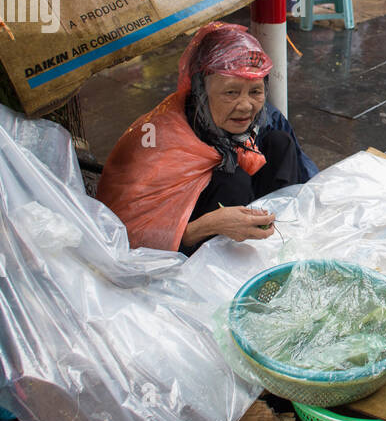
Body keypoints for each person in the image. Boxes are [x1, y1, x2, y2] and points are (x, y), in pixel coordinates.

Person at [96, 22, 317, 253]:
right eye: (231, 92)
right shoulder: (157, 140)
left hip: (237, 219)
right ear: (201, 91)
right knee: (232, 181)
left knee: (279, 144)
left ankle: (273, 243)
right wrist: (208, 225)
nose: (246, 106)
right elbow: (126, 236)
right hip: (185, 246)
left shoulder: (263, 119)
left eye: (255, 91)